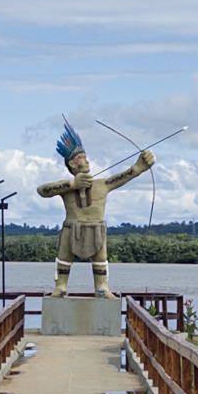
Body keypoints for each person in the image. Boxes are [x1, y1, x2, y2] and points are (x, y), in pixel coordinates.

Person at [36, 119, 154, 298]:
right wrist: (72, 184)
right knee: (64, 257)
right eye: (81, 158)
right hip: (71, 228)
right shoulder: (66, 187)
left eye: (85, 158)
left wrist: (139, 167)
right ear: (73, 164)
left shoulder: (102, 184)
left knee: (100, 258)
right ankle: (61, 285)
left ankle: (102, 287)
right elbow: (42, 190)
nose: (86, 161)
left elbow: (122, 177)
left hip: (96, 228)